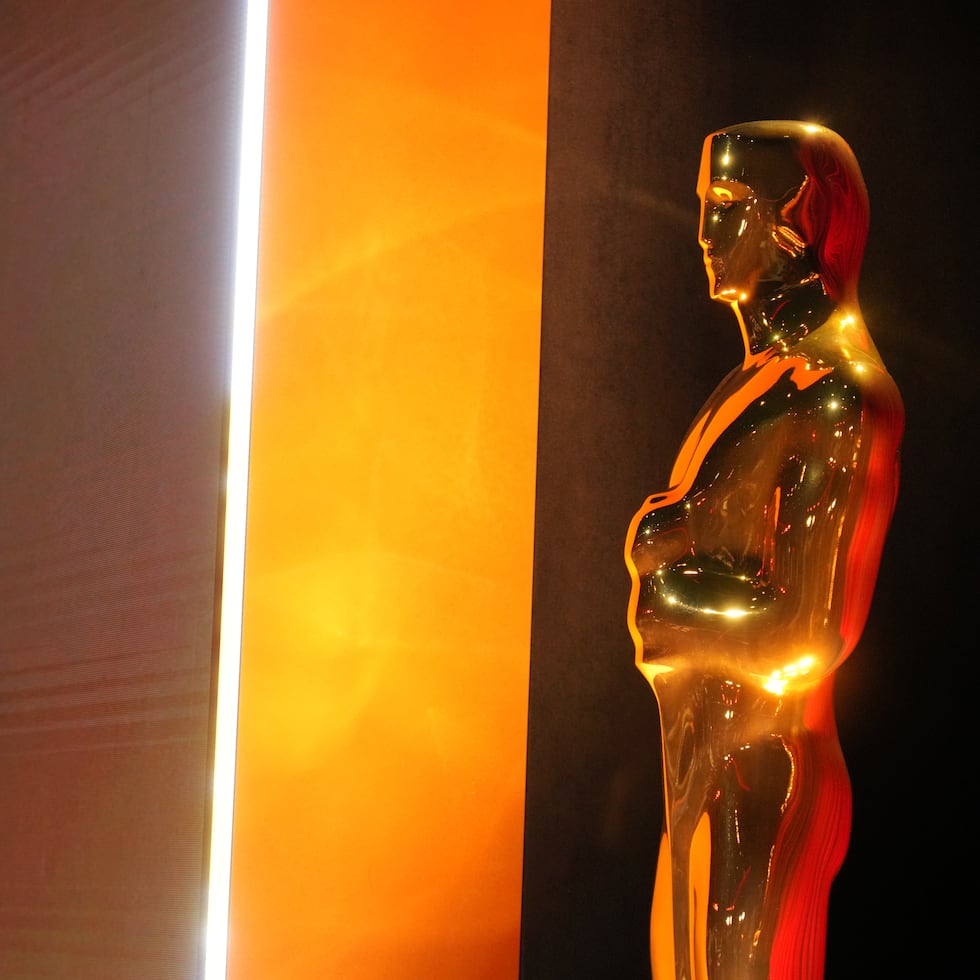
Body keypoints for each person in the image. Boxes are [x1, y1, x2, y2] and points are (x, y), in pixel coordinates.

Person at [625, 121, 904, 979]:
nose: (705, 235)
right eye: (703, 208)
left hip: (765, 776)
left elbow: (806, 634)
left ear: (794, 221)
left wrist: (667, 597)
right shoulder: (755, 385)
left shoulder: (836, 393)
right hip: (705, 771)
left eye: (725, 208)